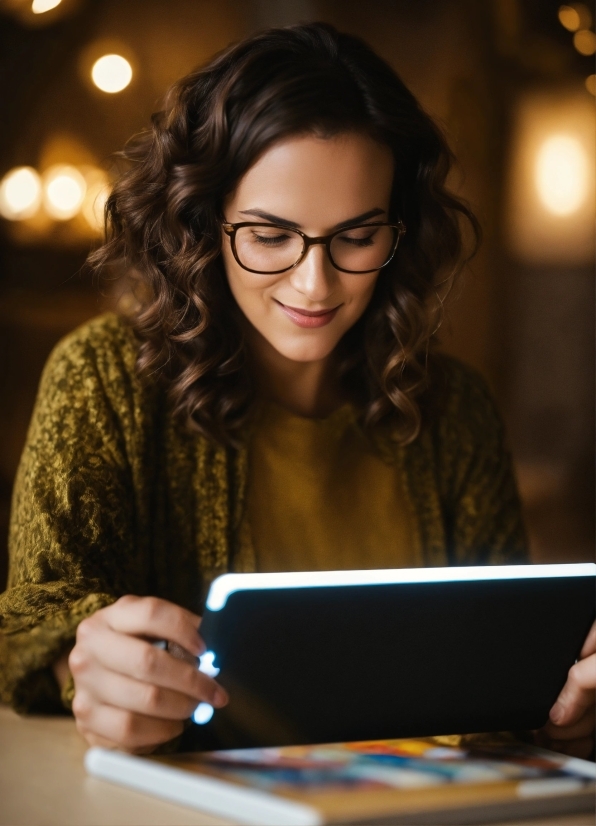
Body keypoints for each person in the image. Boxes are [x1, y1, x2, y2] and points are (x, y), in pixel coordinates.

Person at [0, 22, 593, 758]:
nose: (315, 284)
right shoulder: (103, 381)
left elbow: (500, 683)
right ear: (203, 223)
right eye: (270, 236)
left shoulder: (455, 409)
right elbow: (30, 624)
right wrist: (75, 663)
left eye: (356, 236)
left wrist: (560, 706)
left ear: (400, 231)